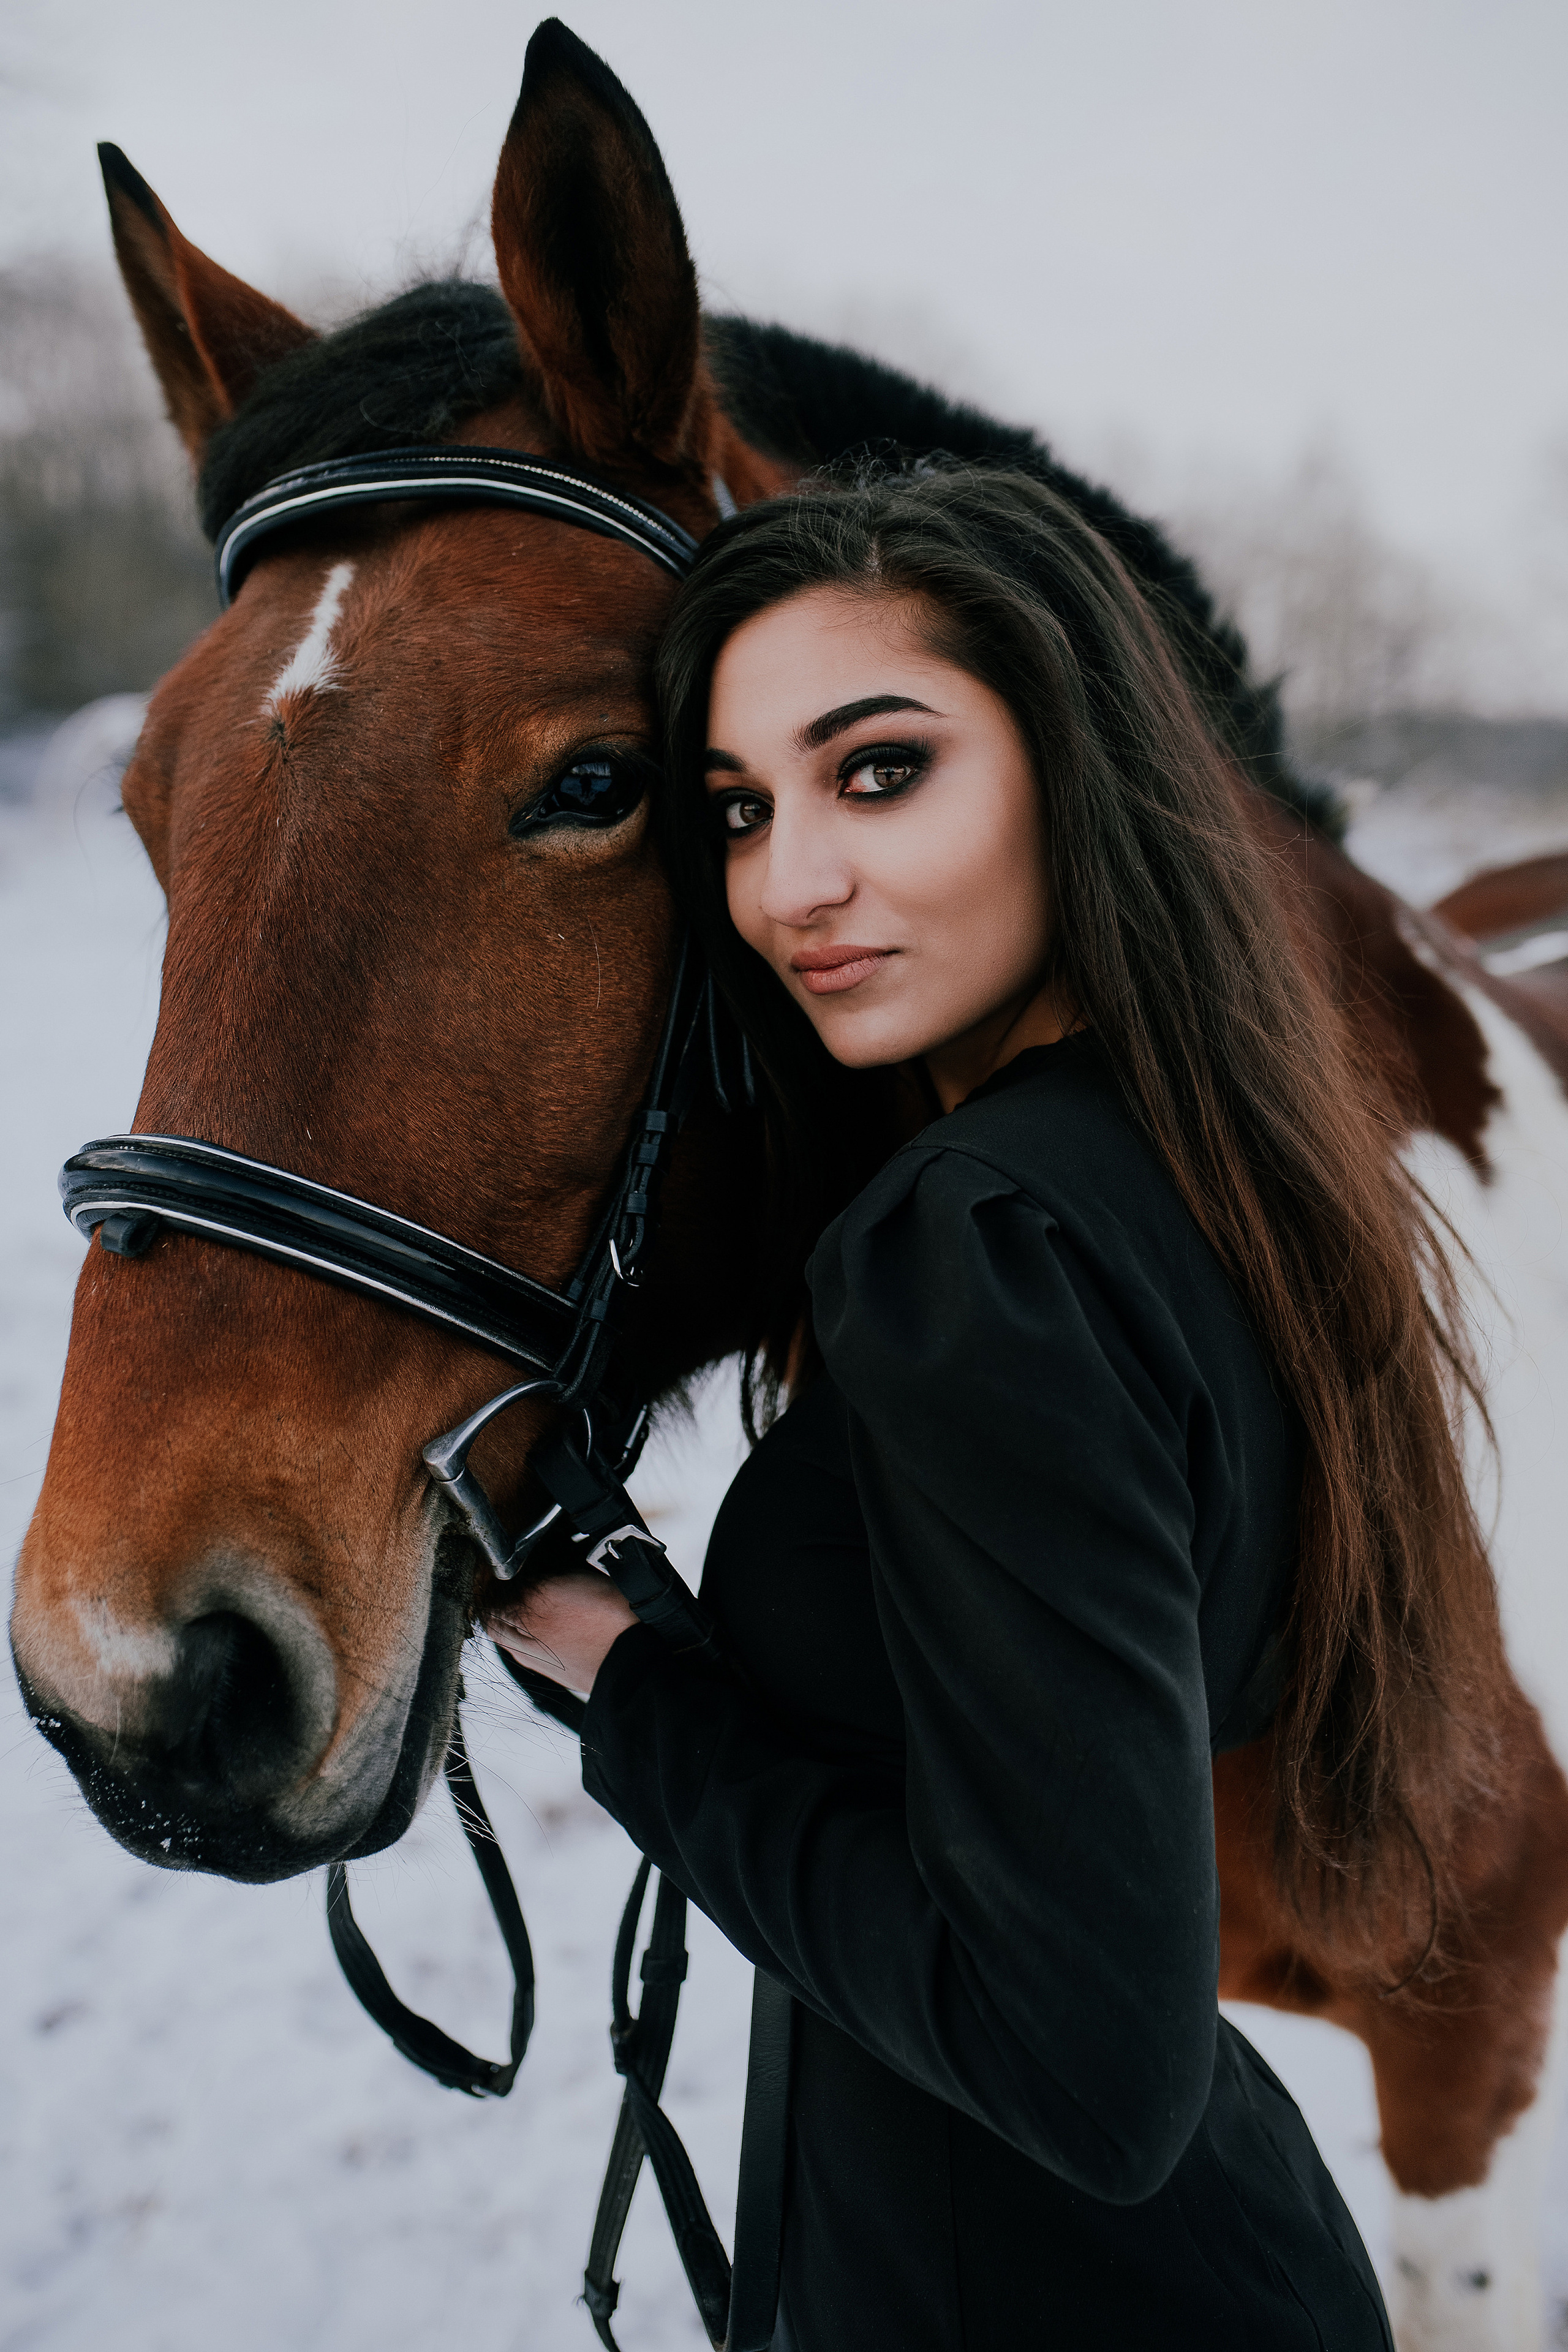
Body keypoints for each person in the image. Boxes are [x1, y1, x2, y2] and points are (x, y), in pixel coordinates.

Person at [492, 467, 1499, 2348]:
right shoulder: (1209, 1162)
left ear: (1070, 762)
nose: (793, 883)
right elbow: (1013, 1779)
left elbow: (1079, 2072)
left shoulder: (981, 1243)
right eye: (738, 809)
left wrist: (641, 1709)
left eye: (878, 770)